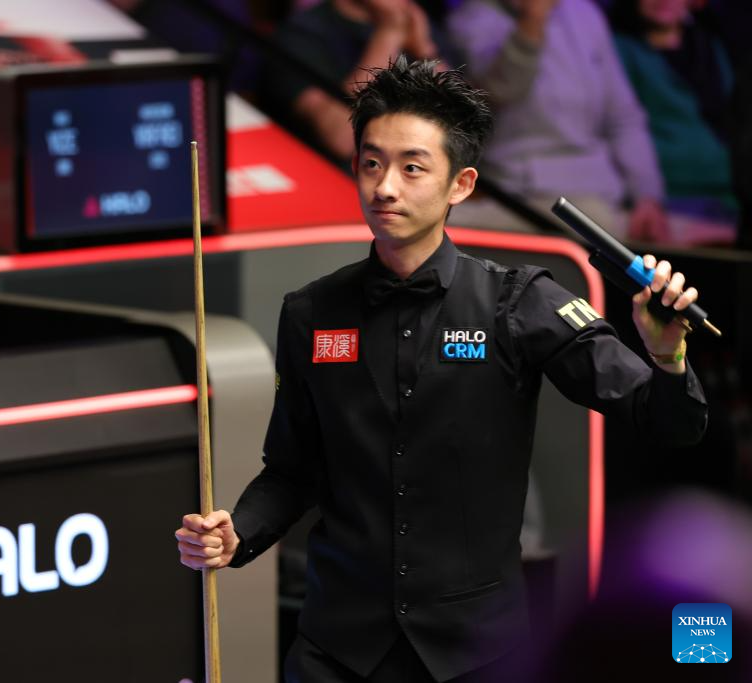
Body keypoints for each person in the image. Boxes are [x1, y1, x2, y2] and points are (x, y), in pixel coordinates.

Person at [175, 58, 708, 682]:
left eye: (412, 167)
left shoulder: (520, 302)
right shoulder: (310, 313)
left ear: (461, 184)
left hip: (475, 652)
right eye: (371, 163)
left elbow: (668, 422)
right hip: (338, 648)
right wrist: (237, 532)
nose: (385, 187)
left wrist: (667, 355)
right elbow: (293, 470)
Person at [445, 0, 670, 242]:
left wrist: (647, 197)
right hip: (509, 195)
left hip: (592, 195)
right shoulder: (471, 18)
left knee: (605, 223)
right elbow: (502, 90)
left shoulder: (584, 14)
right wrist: (533, 18)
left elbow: (624, 118)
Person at [262, 0, 447, 162]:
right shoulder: (301, 35)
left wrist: (424, 51)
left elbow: (461, 122)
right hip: (340, 181)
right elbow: (342, 139)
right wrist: (389, 34)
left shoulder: (419, 25)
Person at [610, 0, 739, 230]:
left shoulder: (709, 45)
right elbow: (622, 124)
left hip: (726, 188)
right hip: (669, 191)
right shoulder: (619, 49)